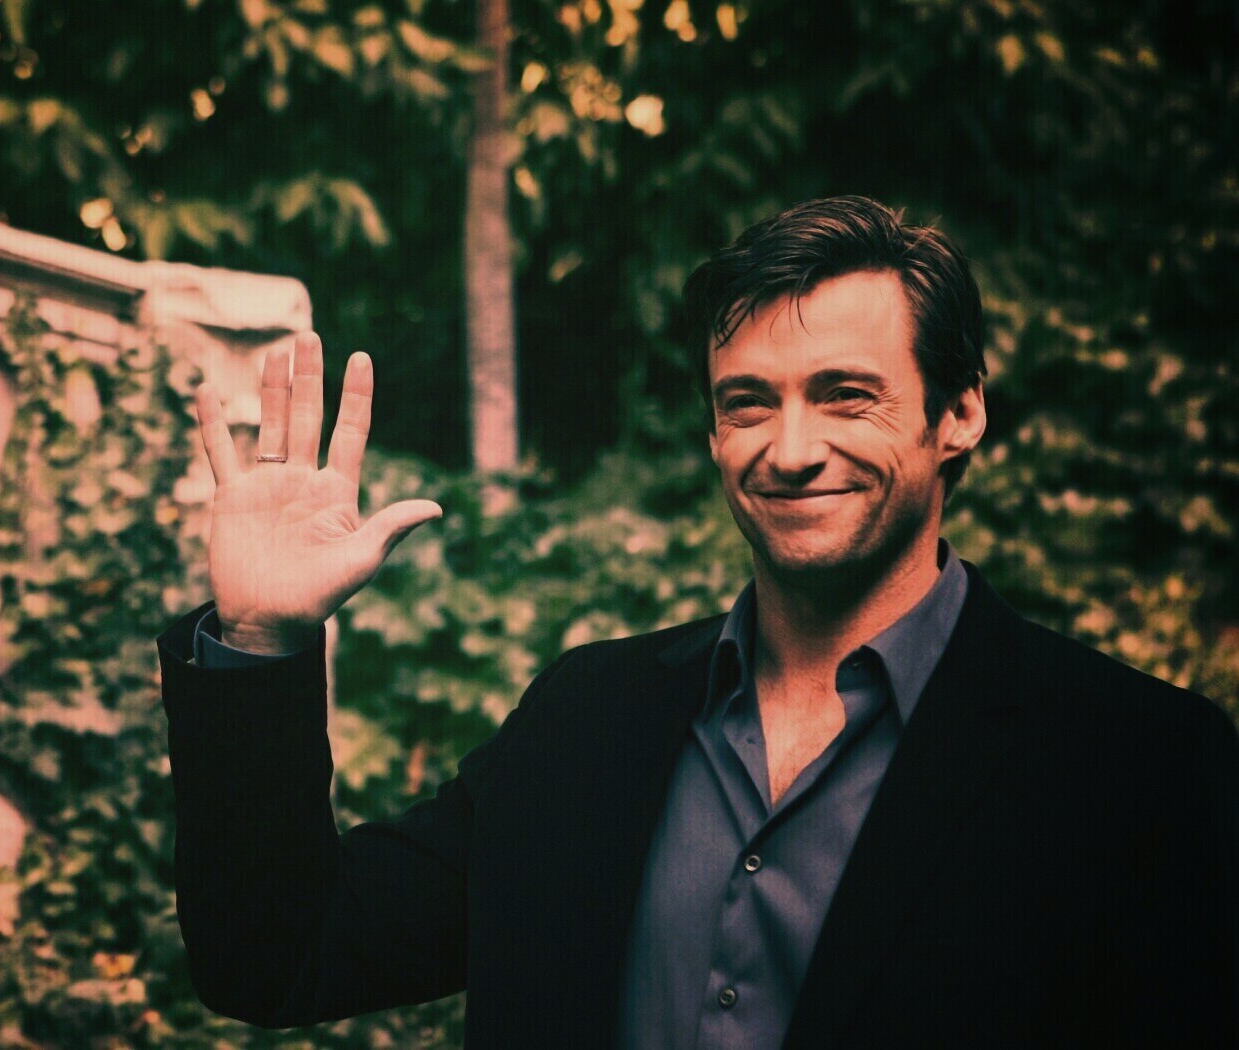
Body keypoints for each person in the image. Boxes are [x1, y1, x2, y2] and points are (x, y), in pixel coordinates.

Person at [156, 196, 1239, 1048]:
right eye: (748, 401)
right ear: (715, 432)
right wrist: (260, 639)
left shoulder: (1140, 766)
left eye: (846, 394)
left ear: (959, 414)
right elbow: (277, 956)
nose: (791, 448)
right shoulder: (586, 718)